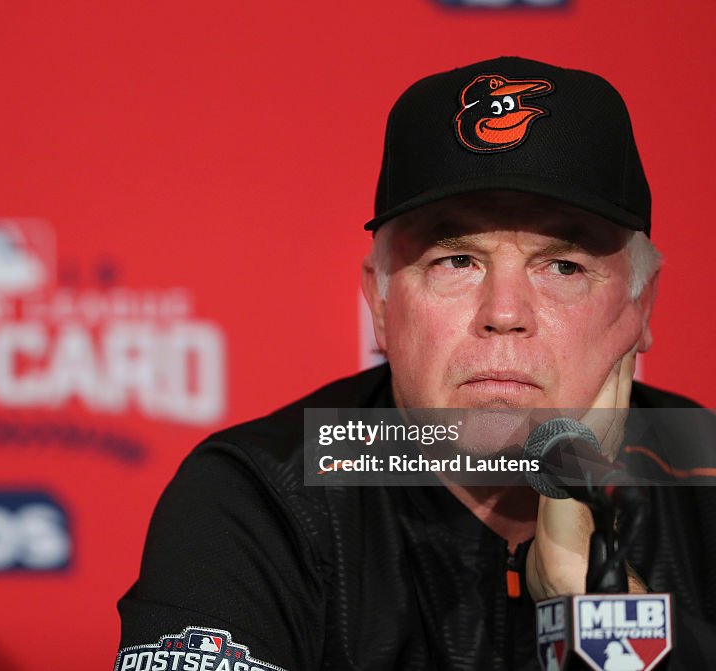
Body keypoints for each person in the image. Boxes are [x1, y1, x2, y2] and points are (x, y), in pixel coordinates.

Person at [115, 57, 716, 670]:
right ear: (380, 300)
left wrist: (604, 615)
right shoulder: (263, 495)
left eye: (563, 266)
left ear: (641, 308)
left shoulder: (705, 478)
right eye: (456, 261)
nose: (504, 312)